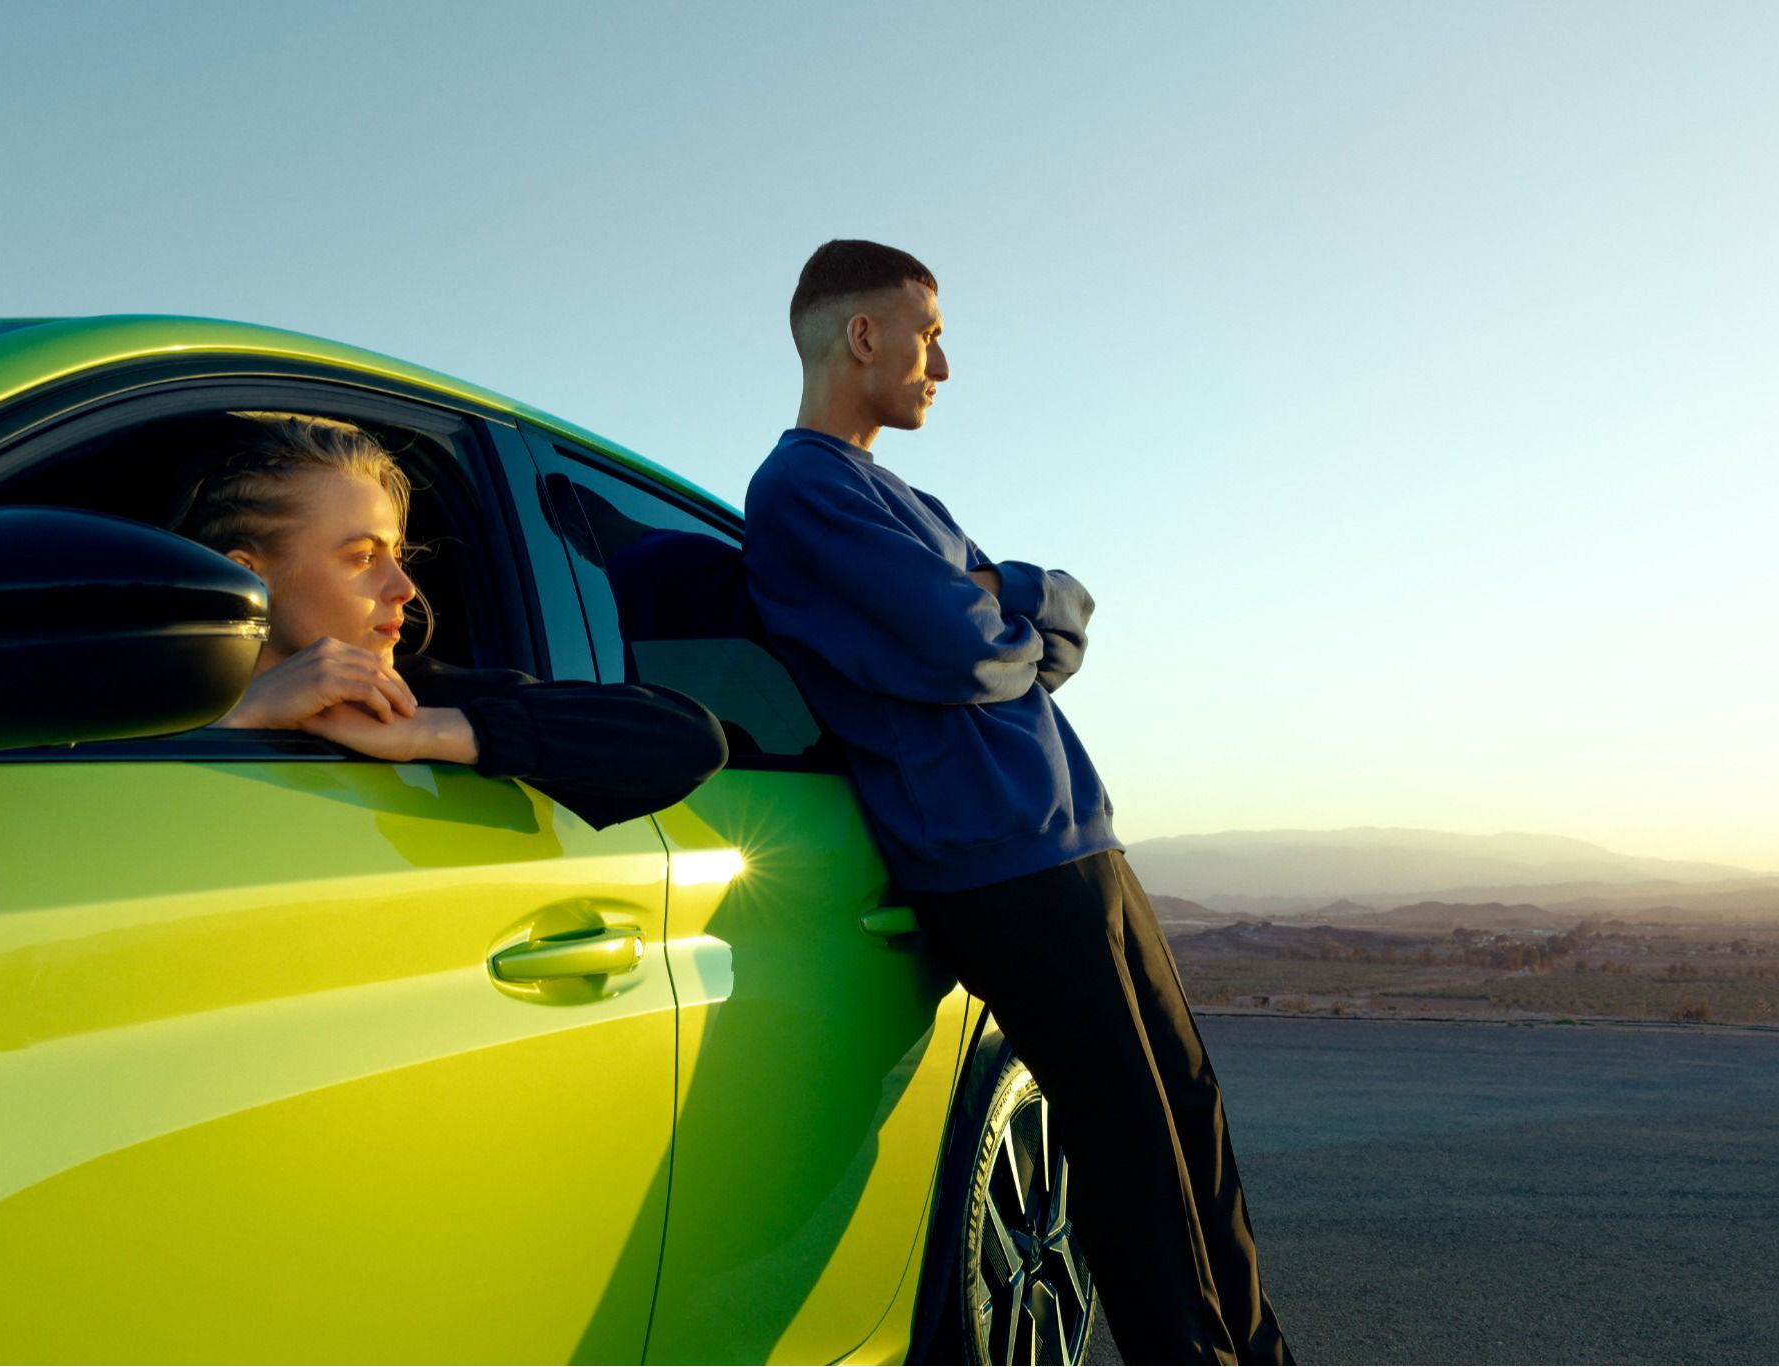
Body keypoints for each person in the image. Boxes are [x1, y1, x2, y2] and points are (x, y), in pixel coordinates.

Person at [742, 241, 1292, 1365]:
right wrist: (1003, 603)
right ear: (862, 335)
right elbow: (967, 648)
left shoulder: (907, 497)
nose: (941, 363)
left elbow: (1061, 627)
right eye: (928, 332)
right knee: (1126, 1144)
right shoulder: (800, 488)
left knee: (1188, 1112)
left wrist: (1006, 600)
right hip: (997, 866)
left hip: (1077, 841)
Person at [173, 413, 727, 827]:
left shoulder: (417, 693)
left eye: (397, 554)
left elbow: (690, 738)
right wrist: (243, 716)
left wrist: (426, 732)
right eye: (364, 557)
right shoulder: (133, 701)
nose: (405, 588)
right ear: (249, 578)